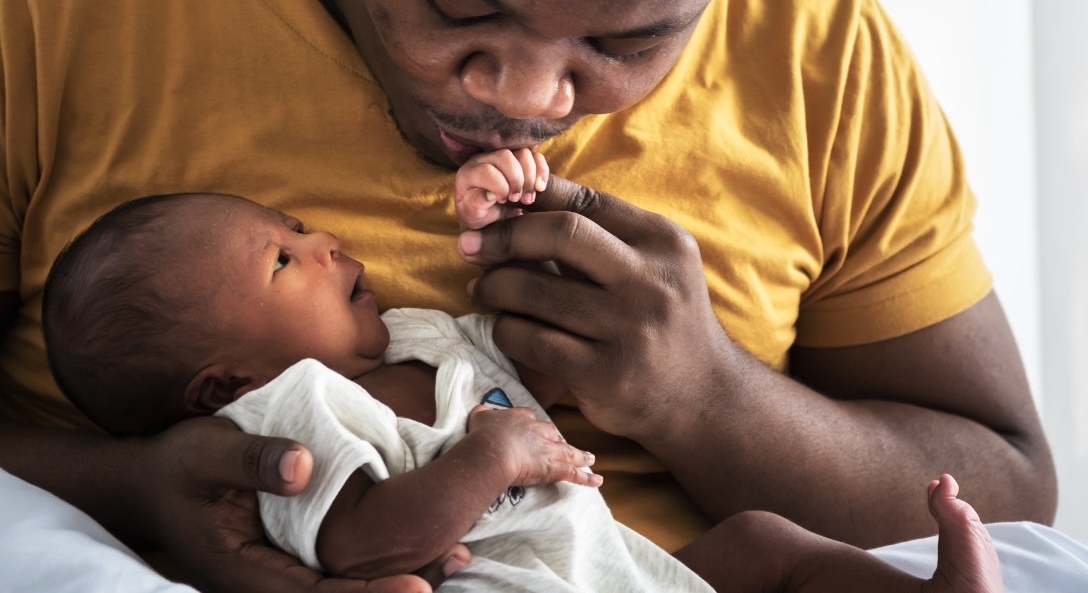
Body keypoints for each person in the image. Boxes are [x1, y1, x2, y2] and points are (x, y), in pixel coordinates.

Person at [0, 0, 1055, 589]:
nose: (530, 94)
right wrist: (132, 487)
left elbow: (1008, 486)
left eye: (629, 42)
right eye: (459, 1)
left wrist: (705, 395)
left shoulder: (819, 45)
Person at [40, 185, 1004, 593]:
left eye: (298, 227)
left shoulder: (416, 338)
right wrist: (492, 456)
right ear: (227, 381)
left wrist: (524, 229)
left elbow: (532, 366)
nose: (324, 241)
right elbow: (366, 542)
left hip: (612, 565)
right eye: (283, 259)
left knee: (764, 543)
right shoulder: (285, 416)